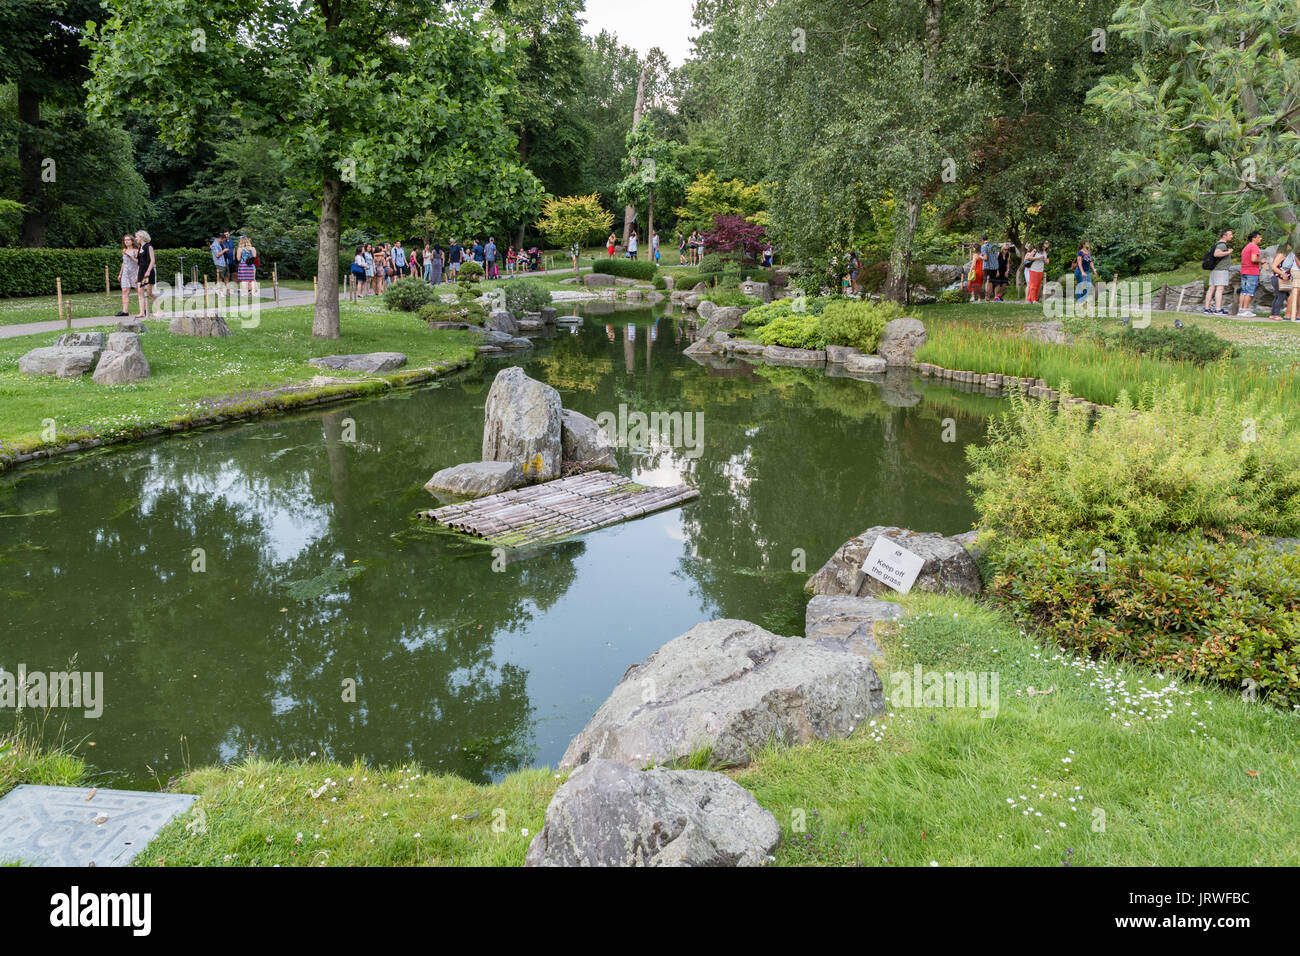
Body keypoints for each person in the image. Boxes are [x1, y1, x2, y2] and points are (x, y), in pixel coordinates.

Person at [1202, 227, 1234, 315]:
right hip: (1221, 270)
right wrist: (1228, 252)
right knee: (1220, 289)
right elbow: (1217, 254)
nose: (1232, 236)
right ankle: (1218, 309)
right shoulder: (1222, 244)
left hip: (1214, 269)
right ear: (1224, 236)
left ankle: (1207, 309)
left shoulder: (1217, 243)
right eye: (1230, 235)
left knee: (1211, 288)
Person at [1268, 242, 1297, 320]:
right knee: (1281, 296)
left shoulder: (1286, 255)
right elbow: (1274, 267)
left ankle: (1273, 314)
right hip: (1278, 278)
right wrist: (1283, 274)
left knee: (1278, 296)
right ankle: (1276, 314)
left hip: (1279, 278)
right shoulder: (1281, 254)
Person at [1237, 230, 1262, 317]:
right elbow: (1254, 259)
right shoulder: (1254, 247)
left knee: (1243, 291)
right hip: (1252, 272)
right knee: (1249, 291)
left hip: (1244, 271)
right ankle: (1245, 310)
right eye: (1259, 237)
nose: (1260, 239)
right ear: (1254, 238)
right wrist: (1261, 261)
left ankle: (1241, 310)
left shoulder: (1246, 247)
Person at [134, 230, 157, 318]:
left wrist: (148, 271)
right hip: (141, 272)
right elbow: (139, 263)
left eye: (136, 237)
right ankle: (142, 312)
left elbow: (152, 260)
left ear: (141, 237)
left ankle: (158, 309)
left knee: (149, 292)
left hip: (148, 272)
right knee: (140, 292)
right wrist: (137, 275)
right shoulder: (140, 248)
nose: (135, 239)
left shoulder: (149, 247)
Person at [117, 234, 138, 317]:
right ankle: (124, 311)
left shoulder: (136, 250)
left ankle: (144, 309)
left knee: (139, 291)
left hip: (134, 272)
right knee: (125, 291)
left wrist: (131, 257)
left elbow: (138, 262)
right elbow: (123, 263)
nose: (126, 241)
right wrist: (120, 274)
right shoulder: (124, 250)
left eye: (128, 240)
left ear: (132, 241)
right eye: (125, 240)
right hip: (125, 273)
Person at [979, 235, 1001, 302]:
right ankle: (988, 297)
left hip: (987, 267)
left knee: (986, 281)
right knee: (991, 281)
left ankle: (987, 297)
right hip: (994, 266)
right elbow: (997, 255)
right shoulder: (994, 246)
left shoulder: (984, 246)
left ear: (982, 240)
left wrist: (980, 256)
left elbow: (985, 258)